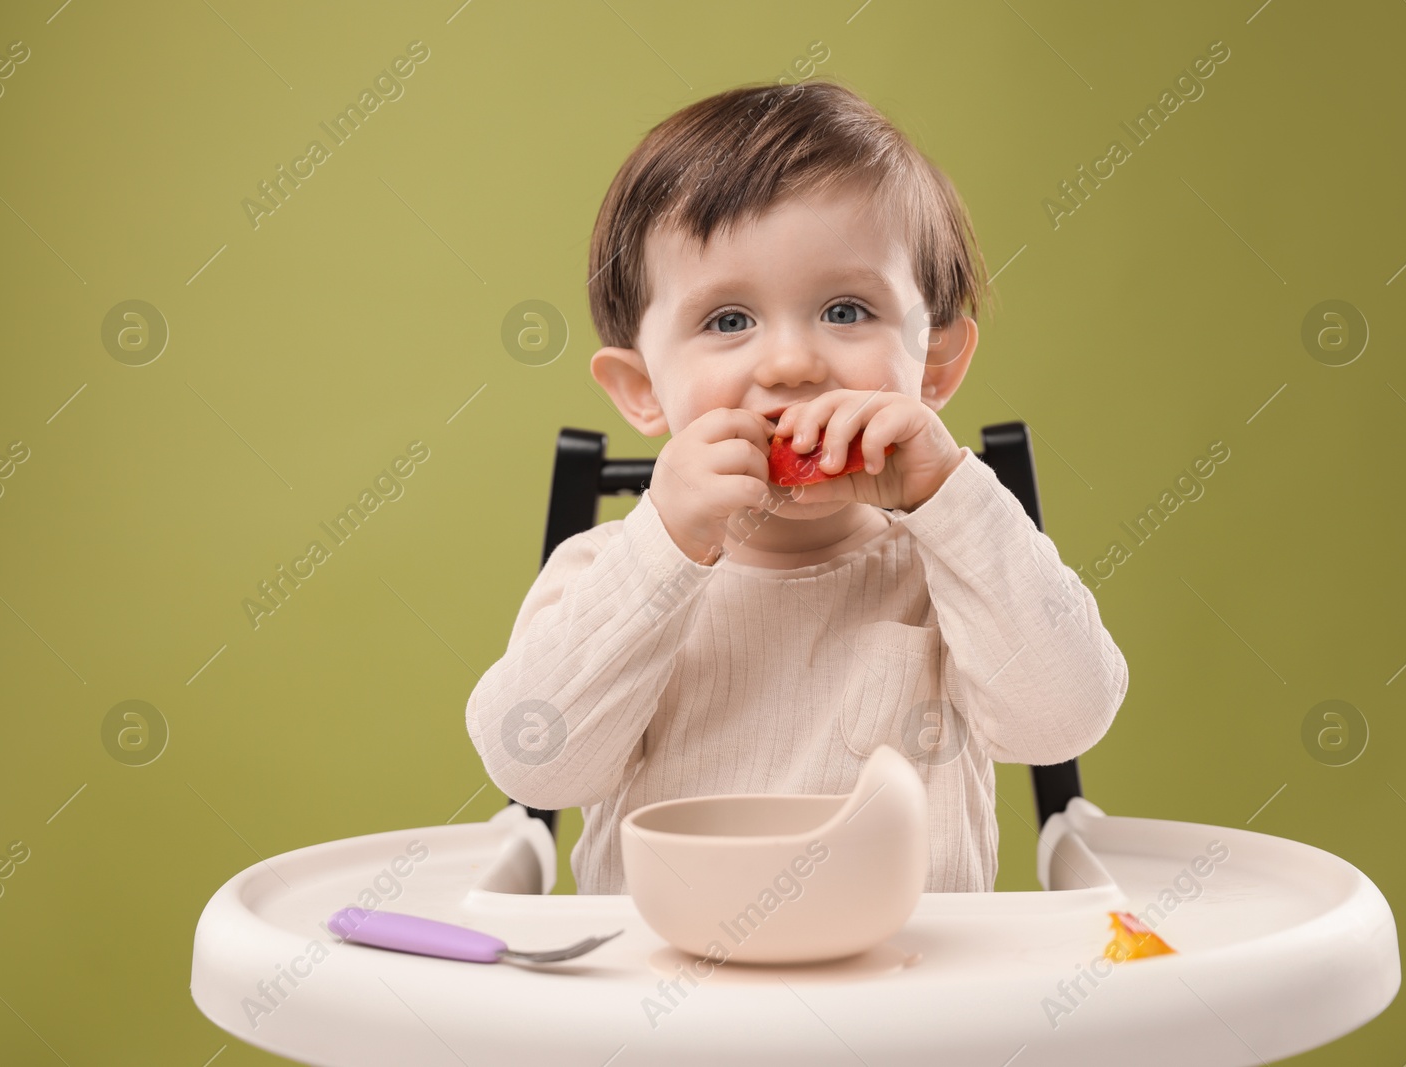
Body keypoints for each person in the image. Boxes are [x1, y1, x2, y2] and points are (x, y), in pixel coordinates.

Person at [465, 78, 1128, 894]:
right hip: (663, 1004)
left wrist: (948, 498)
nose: (790, 363)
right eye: (728, 321)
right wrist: (663, 543)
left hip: (915, 998)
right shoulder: (605, 571)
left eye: (846, 311)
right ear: (641, 389)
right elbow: (536, 765)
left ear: (936, 363)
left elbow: (1065, 715)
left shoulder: (954, 567)